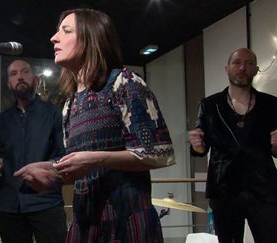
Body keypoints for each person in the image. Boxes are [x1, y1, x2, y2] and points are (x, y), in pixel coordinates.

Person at [15, 9, 175, 243]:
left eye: (66, 30)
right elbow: (82, 163)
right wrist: (53, 171)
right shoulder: (70, 104)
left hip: (126, 223)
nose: (54, 38)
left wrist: (95, 159)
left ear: (92, 37)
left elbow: (160, 152)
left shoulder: (124, 83)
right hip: (86, 225)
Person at [189, 48, 277, 243]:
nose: (242, 68)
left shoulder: (271, 104)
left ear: (256, 70)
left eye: (249, 63)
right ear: (227, 69)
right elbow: (200, 150)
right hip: (224, 190)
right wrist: (196, 145)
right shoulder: (209, 105)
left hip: (264, 190)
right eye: (237, 63)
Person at [0, 59, 67, 243]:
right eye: (14, 74)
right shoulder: (2, 120)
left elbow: (64, 157)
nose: (20, 77)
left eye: (25, 72)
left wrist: (46, 171)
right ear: (9, 84)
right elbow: (0, 153)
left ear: (35, 79)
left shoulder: (54, 114)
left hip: (46, 203)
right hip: (8, 205)